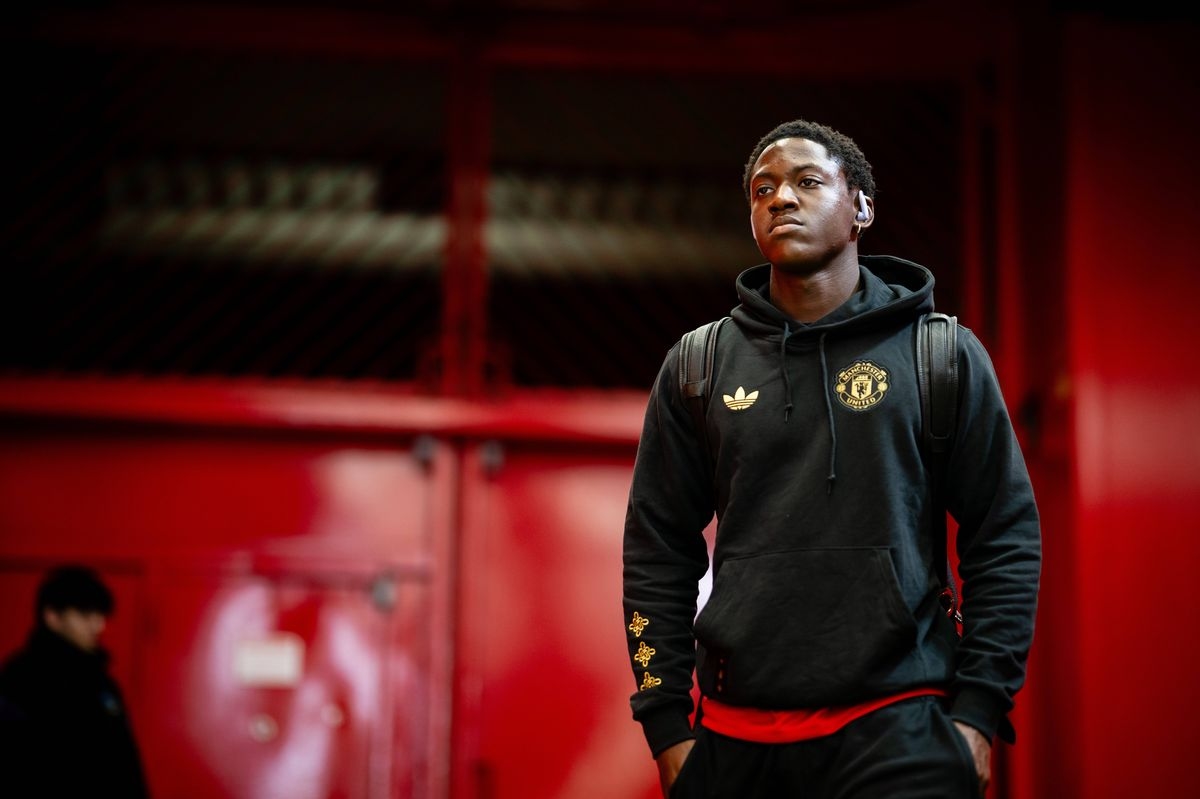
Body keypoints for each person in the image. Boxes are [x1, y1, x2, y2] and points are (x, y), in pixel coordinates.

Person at [621, 118, 1041, 798]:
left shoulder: (939, 355)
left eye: (807, 181)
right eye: (763, 190)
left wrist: (978, 712)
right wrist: (667, 726)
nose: (781, 198)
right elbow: (656, 549)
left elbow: (1005, 535)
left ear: (861, 208)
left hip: (902, 729)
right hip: (736, 740)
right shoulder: (699, 365)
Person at [0, 564, 151, 798]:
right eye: (85, 615)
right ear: (52, 617)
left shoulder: (103, 685)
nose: (98, 625)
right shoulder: (21, 680)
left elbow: (126, 764)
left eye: (100, 615)